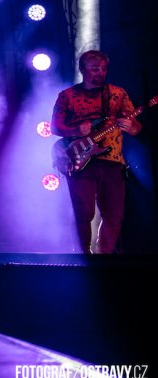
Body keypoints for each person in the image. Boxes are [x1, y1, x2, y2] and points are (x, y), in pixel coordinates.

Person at [51, 50, 142, 254]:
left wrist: (131, 126)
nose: (100, 73)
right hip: (80, 161)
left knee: (114, 215)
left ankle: (104, 258)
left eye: (103, 69)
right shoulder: (67, 96)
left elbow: (137, 128)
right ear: (82, 70)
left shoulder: (117, 94)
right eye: (94, 69)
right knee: (83, 212)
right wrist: (76, 130)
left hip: (113, 161)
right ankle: (83, 256)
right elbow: (54, 127)